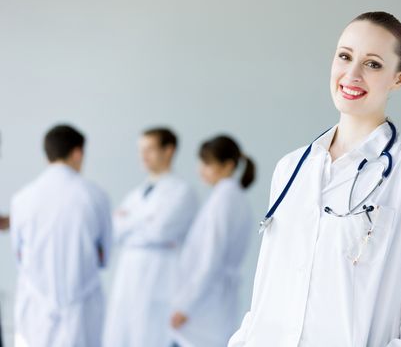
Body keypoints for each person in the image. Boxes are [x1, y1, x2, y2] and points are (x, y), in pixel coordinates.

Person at [229, 11, 401, 347]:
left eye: (373, 64)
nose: (351, 74)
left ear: (400, 77)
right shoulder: (291, 168)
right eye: (345, 56)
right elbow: (268, 291)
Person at [10, 124, 112, 347]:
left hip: (35, 306)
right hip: (82, 306)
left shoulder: (22, 198)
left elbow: (18, 254)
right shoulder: (95, 195)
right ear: (78, 153)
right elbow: (104, 254)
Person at [104, 127, 198, 347]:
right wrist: (143, 221)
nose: (143, 156)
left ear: (169, 150)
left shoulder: (182, 191)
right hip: (129, 275)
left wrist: (129, 221)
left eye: (149, 149)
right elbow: (114, 230)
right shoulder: (136, 193)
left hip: (160, 276)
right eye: (140, 150)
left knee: (151, 337)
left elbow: (160, 231)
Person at [170, 135, 255, 347]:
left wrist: (185, 306)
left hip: (206, 303)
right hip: (216, 299)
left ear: (228, 166)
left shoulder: (224, 200)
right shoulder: (233, 197)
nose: (201, 169)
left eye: (208, 164)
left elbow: (210, 260)